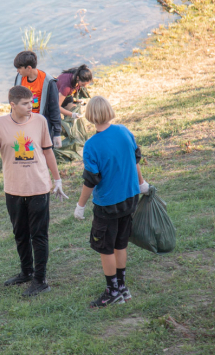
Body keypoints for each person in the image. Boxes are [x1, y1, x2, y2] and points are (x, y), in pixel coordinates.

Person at [0, 85, 69, 297]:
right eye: (25, 104)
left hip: (38, 187)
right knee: (20, 234)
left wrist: (57, 180)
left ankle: (40, 280)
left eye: (31, 102)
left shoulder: (40, 121)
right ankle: (26, 272)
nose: (31, 107)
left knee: (39, 235)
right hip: (13, 189)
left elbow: (48, 152)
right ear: (13, 104)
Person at [72, 96, 149, 307]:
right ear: (109, 111)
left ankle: (112, 291)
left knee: (106, 247)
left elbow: (91, 180)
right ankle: (122, 287)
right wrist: (142, 183)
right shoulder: (124, 131)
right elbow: (135, 160)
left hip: (108, 204)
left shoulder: (91, 145)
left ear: (90, 116)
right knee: (120, 243)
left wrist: (80, 205)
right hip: (130, 198)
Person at [13, 51, 62, 148]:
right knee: (26, 151)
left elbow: (54, 108)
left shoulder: (48, 81)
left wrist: (57, 133)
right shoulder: (19, 78)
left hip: (41, 125)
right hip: (23, 123)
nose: (17, 71)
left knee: (42, 153)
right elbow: (14, 101)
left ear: (29, 68)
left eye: (19, 68)